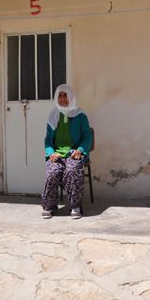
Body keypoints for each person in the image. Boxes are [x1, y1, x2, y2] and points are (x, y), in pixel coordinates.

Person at [41, 84, 92, 219]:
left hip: (74, 153)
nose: (63, 99)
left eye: (65, 96)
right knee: (52, 173)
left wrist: (80, 150)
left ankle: (75, 206)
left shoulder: (80, 115)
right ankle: (49, 206)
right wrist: (50, 152)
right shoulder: (53, 116)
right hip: (57, 154)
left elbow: (88, 136)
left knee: (72, 170)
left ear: (71, 97)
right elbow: (47, 140)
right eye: (60, 96)